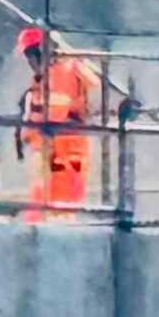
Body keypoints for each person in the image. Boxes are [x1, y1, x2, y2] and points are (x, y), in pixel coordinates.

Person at [16, 25, 105, 217]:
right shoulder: (64, 70)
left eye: (30, 54)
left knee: (58, 202)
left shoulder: (61, 73)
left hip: (60, 147)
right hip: (61, 147)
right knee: (56, 202)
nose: (29, 61)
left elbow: (52, 113)